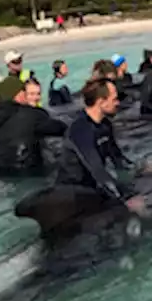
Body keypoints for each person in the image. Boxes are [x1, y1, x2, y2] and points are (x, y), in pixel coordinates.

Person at [55, 78, 141, 211]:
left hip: (93, 188)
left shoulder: (105, 125)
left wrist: (143, 168)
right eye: (114, 99)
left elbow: (118, 159)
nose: (118, 103)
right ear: (101, 102)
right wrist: (126, 198)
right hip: (72, 194)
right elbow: (98, 170)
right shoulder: (80, 129)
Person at [0, 73, 66, 176]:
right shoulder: (33, 115)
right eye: (25, 92)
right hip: (32, 174)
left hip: (2, 174)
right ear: (19, 94)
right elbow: (62, 129)